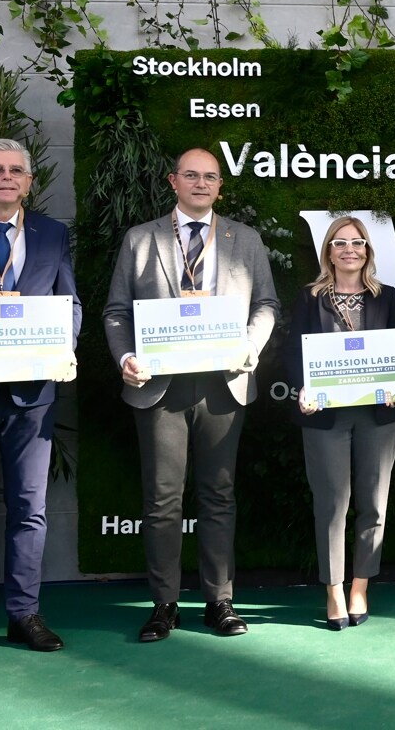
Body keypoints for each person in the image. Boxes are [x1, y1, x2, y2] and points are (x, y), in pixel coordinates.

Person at [103, 147, 279, 642]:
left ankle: (220, 602)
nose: (201, 184)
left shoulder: (245, 239)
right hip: (159, 387)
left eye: (211, 177)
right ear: (172, 181)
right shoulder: (140, 239)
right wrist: (124, 359)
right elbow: (116, 312)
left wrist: (249, 345)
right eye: (191, 176)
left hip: (224, 383)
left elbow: (265, 303)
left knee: (219, 495)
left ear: (220, 186)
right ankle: (164, 605)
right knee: (162, 501)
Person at [0, 139, 81, 667]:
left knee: (30, 510)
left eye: (17, 171)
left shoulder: (52, 234)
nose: (7, 178)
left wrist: (63, 347)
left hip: (33, 394)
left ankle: (23, 613)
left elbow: (68, 301)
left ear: (29, 182)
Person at [285, 217, 395, 630]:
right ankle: (334, 588)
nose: (349, 249)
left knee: (373, 503)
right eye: (340, 243)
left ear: (368, 250)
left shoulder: (386, 297)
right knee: (333, 505)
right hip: (325, 415)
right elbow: (293, 354)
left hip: (379, 414)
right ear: (329, 252)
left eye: (357, 242)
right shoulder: (308, 298)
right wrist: (302, 387)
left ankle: (361, 584)